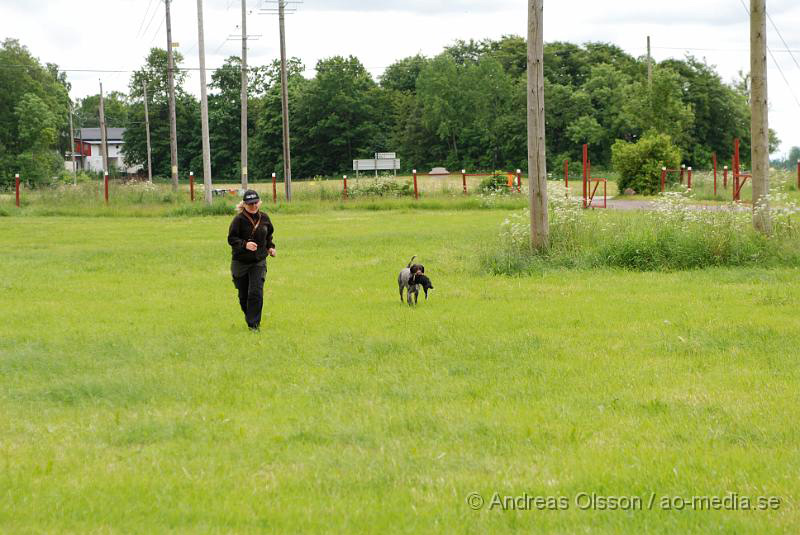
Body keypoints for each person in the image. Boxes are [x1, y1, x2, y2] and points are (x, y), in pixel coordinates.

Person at [227, 190, 276, 331]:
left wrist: (270, 248)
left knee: (255, 292)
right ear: (244, 205)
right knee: (243, 295)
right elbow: (231, 239)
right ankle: (250, 316)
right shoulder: (238, 220)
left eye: (255, 203)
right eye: (250, 204)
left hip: (258, 261)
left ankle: (254, 325)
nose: (253, 206)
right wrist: (245, 245)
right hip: (240, 262)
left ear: (259, 202)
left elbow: (268, 235)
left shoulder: (265, 218)